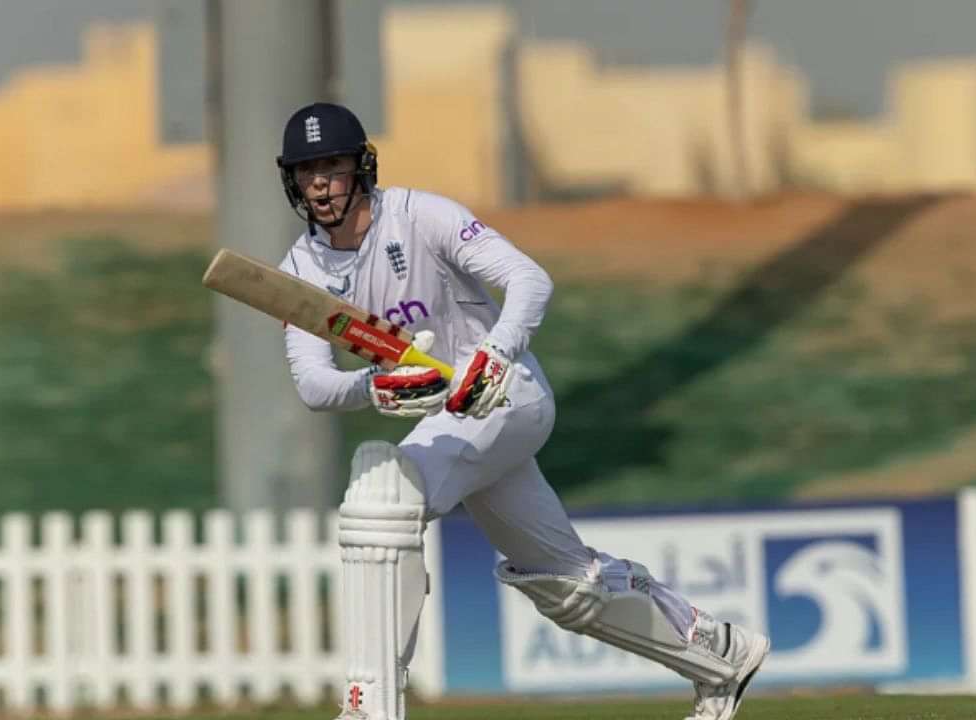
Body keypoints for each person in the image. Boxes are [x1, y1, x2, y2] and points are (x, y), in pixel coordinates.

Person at [274, 101, 769, 720]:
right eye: (307, 170)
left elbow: (530, 279)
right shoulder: (301, 268)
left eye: (333, 165)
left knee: (383, 505)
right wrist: (376, 388)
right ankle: (721, 656)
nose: (321, 183)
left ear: (361, 166)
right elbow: (316, 386)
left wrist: (494, 353)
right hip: (451, 424)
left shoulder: (419, 216)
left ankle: (369, 706)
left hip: (509, 396)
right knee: (568, 588)